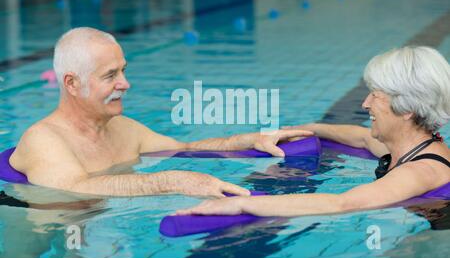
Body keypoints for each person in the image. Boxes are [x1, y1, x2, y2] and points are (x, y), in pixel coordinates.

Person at [9, 27, 311, 197]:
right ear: (72, 84)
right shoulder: (44, 140)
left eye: (123, 71)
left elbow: (184, 148)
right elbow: (74, 188)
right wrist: (174, 181)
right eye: (110, 75)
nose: (125, 84)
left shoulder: (123, 128)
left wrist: (250, 139)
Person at [177, 46, 450, 217]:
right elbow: (362, 137)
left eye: (375, 96)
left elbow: (343, 204)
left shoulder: (419, 171)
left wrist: (240, 205)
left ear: (406, 109)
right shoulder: (410, 146)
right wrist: (310, 128)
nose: (365, 103)